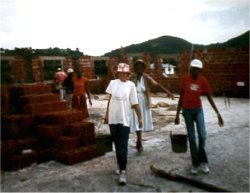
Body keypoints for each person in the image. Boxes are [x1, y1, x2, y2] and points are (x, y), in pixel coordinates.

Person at [174, 59, 224, 175]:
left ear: (200, 70)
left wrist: (218, 114)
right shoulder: (185, 79)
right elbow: (181, 98)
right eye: (194, 69)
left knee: (202, 136)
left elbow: (209, 97)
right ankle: (195, 164)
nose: (195, 71)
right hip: (187, 112)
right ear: (190, 68)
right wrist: (176, 115)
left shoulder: (203, 80)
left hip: (198, 111)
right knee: (192, 139)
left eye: (198, 69)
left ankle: (203, 161)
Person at [104, 63, 142, 185]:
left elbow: (135, 102)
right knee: (116, 144)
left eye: (125, 73)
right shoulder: (113, 83)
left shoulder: (131, 86)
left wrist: (140, 117)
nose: (123, 75)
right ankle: (120, 166)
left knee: (123, 145)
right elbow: (110, 99)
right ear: (118, 73)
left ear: (128, 74)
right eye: (121, 73)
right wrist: (106, 114)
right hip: (113, 118)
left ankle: (123, 172)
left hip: (125, 119)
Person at [130, 59, 174, 153]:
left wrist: (168, 92)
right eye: (137, 66)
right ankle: (139, 140)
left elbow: (157, 85)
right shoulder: (131, 77)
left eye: (141, 67)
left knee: (141, 120)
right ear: (135, 68)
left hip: (143, 100)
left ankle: (139, 141)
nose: (139, 68)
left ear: (144, 68)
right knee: (136, 119)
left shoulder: (146, 77)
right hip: (134, 101)